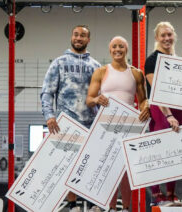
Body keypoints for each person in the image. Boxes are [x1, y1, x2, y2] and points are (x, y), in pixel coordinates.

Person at [86, 36, 150, 212]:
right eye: (114, 46)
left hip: (129, 127)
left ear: (126, 49)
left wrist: (147, 107)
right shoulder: (101, 72)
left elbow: (143, 99)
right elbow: (89, 99)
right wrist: (97, 98)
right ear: (110, 49)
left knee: (125, 170)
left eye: (121, 46)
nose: (117, 49)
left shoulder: (136, 73)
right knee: (109, 168)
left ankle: (126, 208)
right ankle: (112, 208)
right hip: (106, 128)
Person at [40, 25, 101, 212]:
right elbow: (47, 93)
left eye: (83, 35)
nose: (79, 38)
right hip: (65, 124)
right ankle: (73, 205)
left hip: (91, 125)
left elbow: (103, 96)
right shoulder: (58, 63)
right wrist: (50, 116)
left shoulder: (96, 66)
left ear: (88, 39)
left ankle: (92, 204)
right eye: (76, 34)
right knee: (67, 167)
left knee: (91, 166)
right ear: (71, 37)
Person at [144, 22, 182, 205]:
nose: (167, 38)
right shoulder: (152, 60)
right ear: (156, 38)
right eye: (163, 35)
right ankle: (156, 193)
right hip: (161, 110)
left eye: (169, 34)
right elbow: (157, 92)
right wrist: (168, 115)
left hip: (178, 109)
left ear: (174, 35)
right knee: (159, 151)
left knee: (174, 150)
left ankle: (171, 193)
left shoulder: (177, 59)